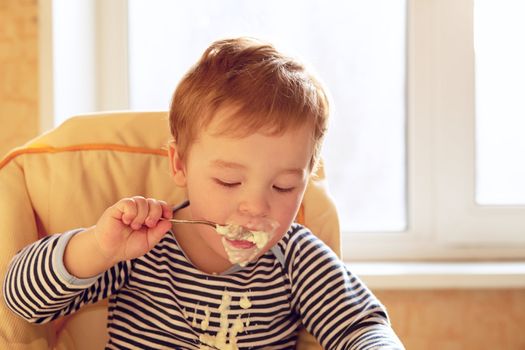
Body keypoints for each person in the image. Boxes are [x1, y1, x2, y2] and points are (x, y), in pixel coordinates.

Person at [3, 37, 404, 349]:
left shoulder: (296, 258)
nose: (256, 206)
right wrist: (96, 246)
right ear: (179, 166)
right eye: (229, 182)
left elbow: (361, 326)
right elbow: (21, 300)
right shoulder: (140, 248)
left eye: (284, 186)